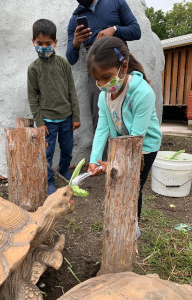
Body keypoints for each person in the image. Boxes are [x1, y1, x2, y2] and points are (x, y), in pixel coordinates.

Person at [86, 36, 162, 234]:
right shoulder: (105, 96)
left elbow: (136, 139)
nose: (102, 84)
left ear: (124, 66)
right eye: (97, 79)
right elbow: (102, 127)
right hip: (123, 144)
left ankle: (132, 228)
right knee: (119, 181)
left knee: (132, 186)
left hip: (144, 147)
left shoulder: (143, 93)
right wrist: (95, 159)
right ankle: (119, 223)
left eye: (106, 76)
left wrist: (114, 163)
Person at [66, 0, 141, 134]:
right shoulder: (75, 18)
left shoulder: (115, 2)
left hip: (119, 62)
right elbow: (71, 58)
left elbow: (136, 31)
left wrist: (114, 30)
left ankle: (133, 152)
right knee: (101, 116)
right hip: (97, 71)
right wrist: (76, 43)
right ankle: (105, 155)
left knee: (131, 108)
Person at [27, 19, 81, 195]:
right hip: (47, 123)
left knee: (67, 148)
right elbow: (32, 97)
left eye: (48, 43)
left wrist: (76, 116)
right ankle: (49, 181)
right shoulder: (33, 69)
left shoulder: (63, 64)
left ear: (55, 43)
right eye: (39, 43)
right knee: (46, 154)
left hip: (66, 118)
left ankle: (64, 170)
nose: (44, 47)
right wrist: (39, 122)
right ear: (33, 42)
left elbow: (72, 90)